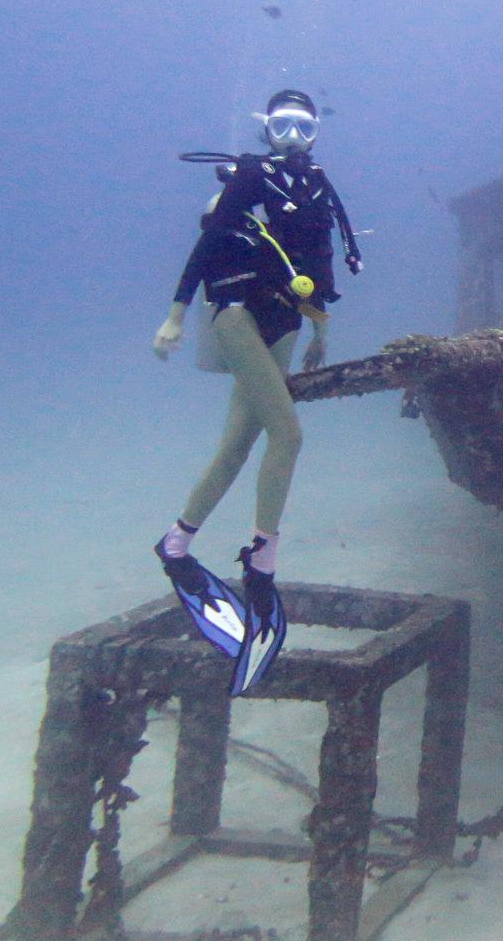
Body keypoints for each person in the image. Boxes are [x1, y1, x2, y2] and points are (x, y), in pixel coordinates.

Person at [149, 90, 360, 695]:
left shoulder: (318, 189)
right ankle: (262, 568)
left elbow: (321, 262)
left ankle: (176, 542)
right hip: (236, 315)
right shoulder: (248, 181)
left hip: (286, 322)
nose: (291, 136)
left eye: (302, 125)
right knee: (288, 435)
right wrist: (175, 316)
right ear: (266, 129)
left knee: (237, 448)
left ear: (316, 131)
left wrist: (320, 327)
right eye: (281, 125)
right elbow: (203, 248)